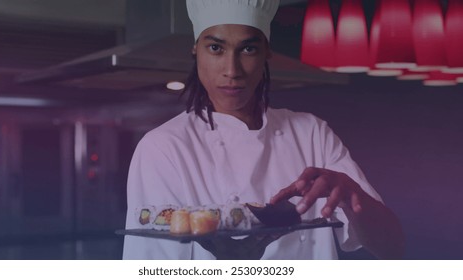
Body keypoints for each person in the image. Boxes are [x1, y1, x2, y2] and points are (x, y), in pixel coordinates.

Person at [123, 0, 404, 260]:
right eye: (216, 48)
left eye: (248, 49)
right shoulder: (164, 147)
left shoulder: (311, 133)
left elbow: (392, 246)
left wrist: (350, 192)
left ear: (266, 51)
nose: (232, 70)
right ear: (196, 49)